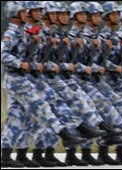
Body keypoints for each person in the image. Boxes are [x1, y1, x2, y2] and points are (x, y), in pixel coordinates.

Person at [1, 1, 86, 168]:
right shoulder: (12, 33)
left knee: (21, 120)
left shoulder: (25, 33)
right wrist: (20, 64)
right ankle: (65, 134)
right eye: (25, 12)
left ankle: (15, 155)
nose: (28, 14)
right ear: (16, 13)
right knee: (42, 107)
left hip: (27, 78)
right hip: (17, 79)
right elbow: (3, 54)